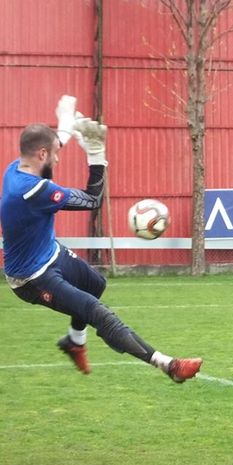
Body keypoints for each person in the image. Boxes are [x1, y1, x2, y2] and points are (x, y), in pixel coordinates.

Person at [0, 96, 202, 383]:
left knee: (96, 284)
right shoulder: (34, 191)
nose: (59, 158)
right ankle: (168, 365)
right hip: (31, 278)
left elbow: (52, 143)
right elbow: (93, 200)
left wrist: (66, 124)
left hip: (50, 253)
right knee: (98, 312)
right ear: (43, 155)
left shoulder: (16, 166)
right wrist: (96, 155)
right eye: (55, 154)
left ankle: (74, 342)